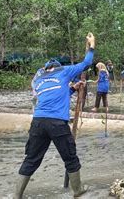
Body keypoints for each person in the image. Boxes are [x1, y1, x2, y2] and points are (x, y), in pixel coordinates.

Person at [15, 33, 95, 198]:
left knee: (31, 159)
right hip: (57, 123)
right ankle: (78, 190)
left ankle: (17, 196)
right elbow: (86, 63)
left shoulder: (39, 80)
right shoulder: (64, 71)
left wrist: (72, 88)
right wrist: (91, 46)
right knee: (70, 158)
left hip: (38, 123)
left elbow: (53, 95)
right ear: (58, 67)